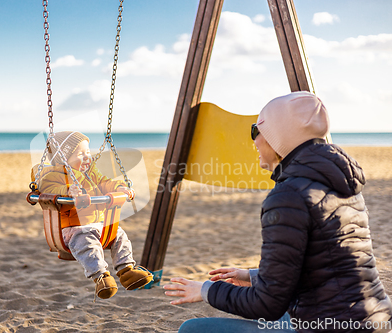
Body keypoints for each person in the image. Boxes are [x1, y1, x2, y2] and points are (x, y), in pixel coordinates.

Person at [164, 92, 392, 332]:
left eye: (256, 130)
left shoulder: (289, 196)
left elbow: (266, 305)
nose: (254, 141)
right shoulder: (340, 182)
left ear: (278, 137)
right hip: (373, 320)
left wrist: (206, 290)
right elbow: (332, 262)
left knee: (193, 329)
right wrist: (254, 276)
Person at [38, 131, 153, 300]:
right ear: (63, 158)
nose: (87, 157)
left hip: (98, 224)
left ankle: (126, 270)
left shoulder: (91, 173)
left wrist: (119, 187)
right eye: (80, 154)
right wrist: (67, 191)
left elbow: (105, 183)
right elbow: (47, 189)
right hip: (72, 229)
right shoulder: (54, 175)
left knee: (119, 235)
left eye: (88, 153)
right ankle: (100, 277)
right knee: (87, 244)